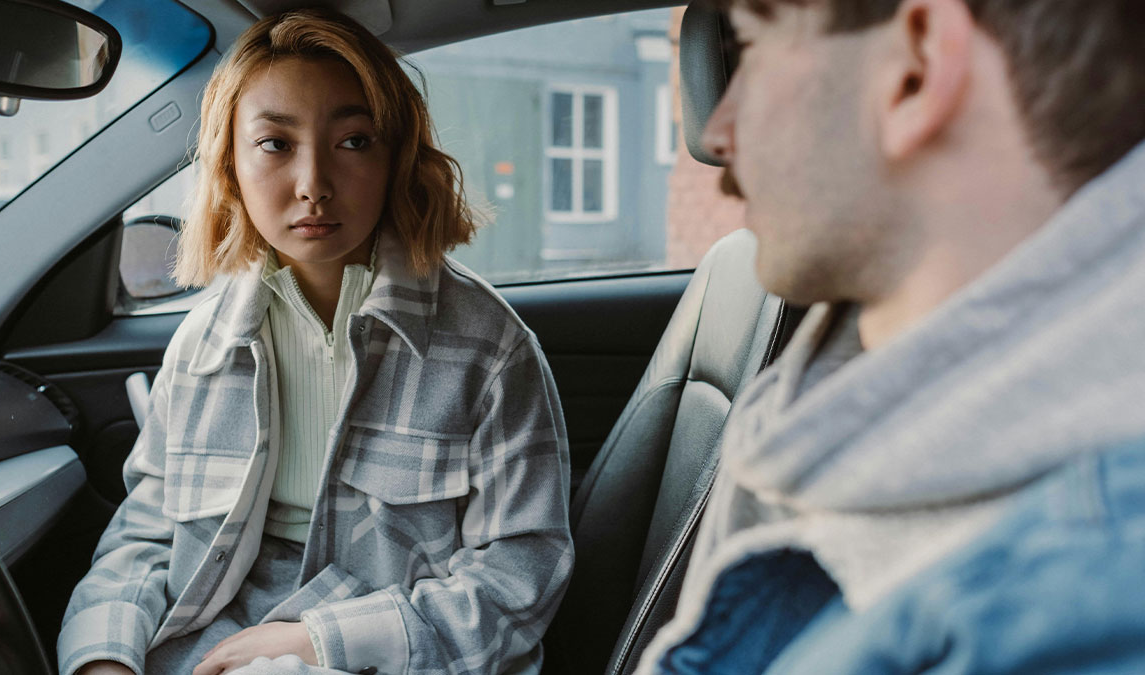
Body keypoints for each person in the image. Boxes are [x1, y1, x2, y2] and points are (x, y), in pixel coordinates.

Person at [57, 9, 573, 675]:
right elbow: (147, 536)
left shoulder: (488, 348)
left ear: (396, 158)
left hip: (404, 651)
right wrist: (103, 655)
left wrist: (317, 641)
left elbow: (520, 575)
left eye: (353, 141)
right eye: (275, 143)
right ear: (230, 164)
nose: (313, 185)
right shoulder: (201, 345)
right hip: (212, 644)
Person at [638, 0, 1145, 673]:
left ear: (916, 69)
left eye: (751, 47)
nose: (717, 133)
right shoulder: (810, 416)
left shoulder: (1083, 612)